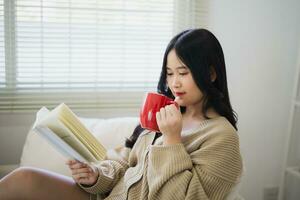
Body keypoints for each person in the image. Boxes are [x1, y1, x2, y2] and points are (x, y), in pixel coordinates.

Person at [0, 28, 243, 200]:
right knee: (24, 178)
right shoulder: (162, 114)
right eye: (169, 73)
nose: (174, 83)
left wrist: (171, 140)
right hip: (110, 196)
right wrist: (96, 175)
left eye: (183, 72)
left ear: (210, 74)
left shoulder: (221, 137)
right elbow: (123, 163)